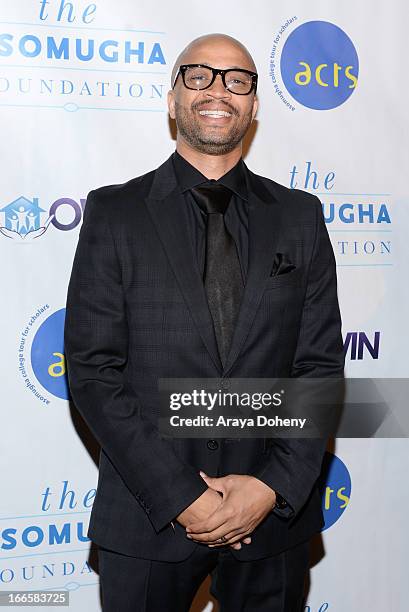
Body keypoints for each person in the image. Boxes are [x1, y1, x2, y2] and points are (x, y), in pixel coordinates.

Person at [64, 32, 344, 612]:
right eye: (199, 75)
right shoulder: (115, 212)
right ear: (172, 99)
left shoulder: (300, 217)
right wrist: (181, 495)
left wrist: (269, 488)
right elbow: (94, 370)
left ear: (254, 105)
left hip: (271, 523)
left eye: (237, 79)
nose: (218, 90)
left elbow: (317, 368)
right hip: (148, 517)